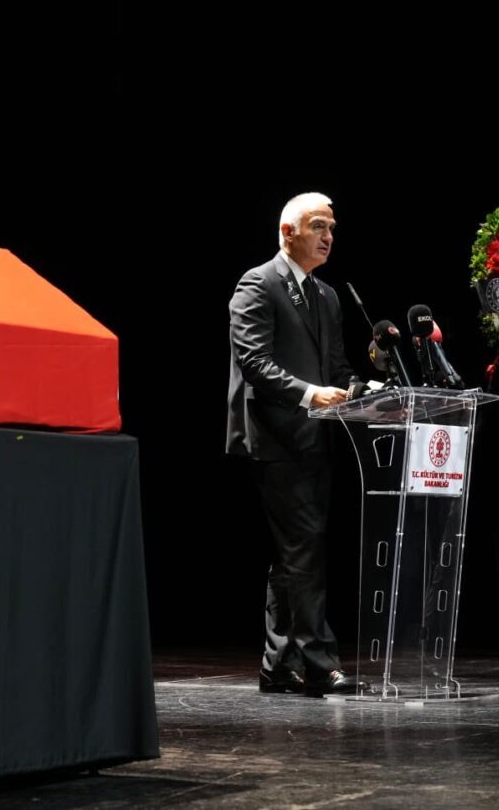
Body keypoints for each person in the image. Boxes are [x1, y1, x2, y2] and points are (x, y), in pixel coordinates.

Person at [225, 192, 357, 696]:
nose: (328, 237)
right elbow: (254, 362)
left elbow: (337, 368)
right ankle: (319, 662)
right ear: (288, 232)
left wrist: (368, 388)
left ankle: (278, 665)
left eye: (332, 228)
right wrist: (309, 394)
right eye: (319, 226)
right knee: (304, 548)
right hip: (276, 439)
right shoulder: (258, 284)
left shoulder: (327, 296)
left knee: (293, 555)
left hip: (316, 440)